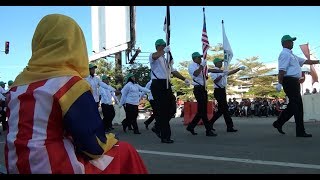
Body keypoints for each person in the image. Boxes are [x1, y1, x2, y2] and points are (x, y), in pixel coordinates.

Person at [5, 14, 147, 174]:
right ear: (75, 45)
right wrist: (109, 141)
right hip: (54, 166)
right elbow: (93, 147)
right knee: (125, 150)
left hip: (16, 165)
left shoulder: (17, 85)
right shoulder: (69, 83)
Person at [273, 35, 320, 138]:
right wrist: (280, 83)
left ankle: (279, 123)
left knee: (293, 106)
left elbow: (306, 61)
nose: (292, 43)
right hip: (289, 82)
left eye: (292, 41)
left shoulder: (292, 55)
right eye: (290, 41)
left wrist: (318, 61)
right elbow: (282, 70)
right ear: (285, 43)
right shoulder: (284, 54)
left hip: (294, 82)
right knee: (298, 107)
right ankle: (300, 131)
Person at [149, 39, 191, 143]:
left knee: (172, 109)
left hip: (167, 84)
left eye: (165, 46)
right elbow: (155, 56)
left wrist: (184, 79)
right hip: (158, 84)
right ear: (158, 46)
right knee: (162, 111)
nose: (164, 47)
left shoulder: (166, 59)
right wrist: (164, 51)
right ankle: (165, 136)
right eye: (162, 46)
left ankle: (158, 126)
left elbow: (173, 71)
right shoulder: (153, 56)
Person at [209, 58, 245, 132]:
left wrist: (239, 68)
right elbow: (215, 81)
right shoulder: (213, 72)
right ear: (216, 63)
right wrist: (222, 75)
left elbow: (231, 72)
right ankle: (229, 127)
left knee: (221, 111)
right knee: (224, 110)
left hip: (222, 90)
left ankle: (210, 124)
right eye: (220, 62)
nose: (221, 63)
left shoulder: (222, 71)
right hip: (218, 91)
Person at [186, 52, 216, 136]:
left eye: (201, 58)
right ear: (194, 59)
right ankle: (208, 130)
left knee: (201, 111)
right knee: (203, 111)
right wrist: (202, 66)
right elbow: (195, 74)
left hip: (203, 88)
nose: (200, 59)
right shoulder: (191, 66)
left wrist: (223, 71)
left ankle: (191, 127)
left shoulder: (201, 66)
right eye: (199, 58)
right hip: (198, 89)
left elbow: (209, 70)